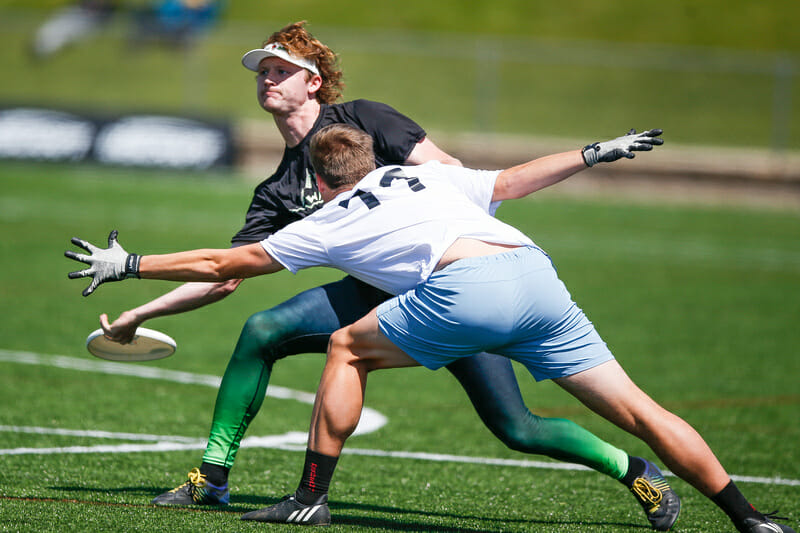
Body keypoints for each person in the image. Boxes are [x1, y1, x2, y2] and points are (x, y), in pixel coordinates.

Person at [92, 21, 678, 530]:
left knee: (516, 428)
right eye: (260, 72)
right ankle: (210, 478)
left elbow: (453, 173)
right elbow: (224, 274)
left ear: (312, 81)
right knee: (262, 330)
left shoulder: (368, 120)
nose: (266, 79)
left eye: (279, 70)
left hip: (455, 290)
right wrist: (143, 312)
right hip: (373, 296)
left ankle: (634, 471)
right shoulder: (275, 191)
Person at [65, 124, 793, 533]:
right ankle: (750, 518)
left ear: (321, 182)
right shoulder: (428, 177)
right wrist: (593, 152)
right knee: (639, 408)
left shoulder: (328, 215)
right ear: (376, 161)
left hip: (461, 293)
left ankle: (310, 496)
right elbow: (509, 182)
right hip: (535, 274)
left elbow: (227, 259)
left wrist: (132, 264)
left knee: (348, 347)